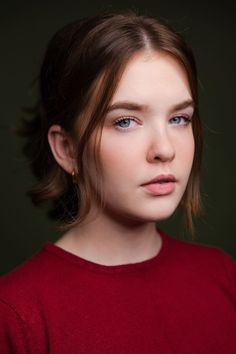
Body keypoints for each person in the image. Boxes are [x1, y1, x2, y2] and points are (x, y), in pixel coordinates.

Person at [0, 11, 235, 354]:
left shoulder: (224, 276)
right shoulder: (16, 315)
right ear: (67, 149)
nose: (165, 149)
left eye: (179, 118)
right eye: (126, 121)